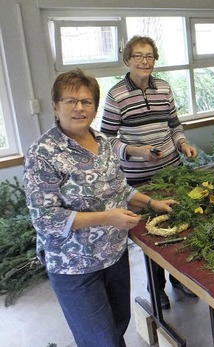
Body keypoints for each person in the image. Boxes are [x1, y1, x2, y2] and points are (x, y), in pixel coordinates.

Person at [23, 69, 176, 347]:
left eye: (86, 101)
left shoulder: (103, 144)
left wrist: (152, 203)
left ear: (95, 107)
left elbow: (120, 190)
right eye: (70, 101)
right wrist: (108, 217)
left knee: (118, 326)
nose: (79, 108)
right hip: (75, 266)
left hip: (114, 256)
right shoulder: (43, 153)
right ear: (55, 107)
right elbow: (46, 218)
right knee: (101, 340)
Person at [101, 35, 198, 308]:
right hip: (139, 180)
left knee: (179, 225)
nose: (145, 61)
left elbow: (174, 124)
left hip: (173, 172)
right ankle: (157, 289)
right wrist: (134, 150)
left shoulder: (164, 88)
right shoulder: (116, 94)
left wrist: (182, 143)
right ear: (127, 60)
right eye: (138, 56)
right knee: (152, 237)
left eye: (150, 56)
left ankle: (181, 280)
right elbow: (106, 139)